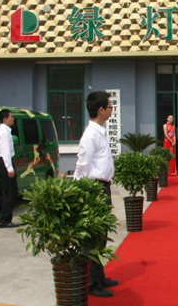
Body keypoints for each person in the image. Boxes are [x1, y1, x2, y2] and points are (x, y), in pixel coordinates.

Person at [74, 91, 119, 297]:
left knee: (101, 235)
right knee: (93, 236)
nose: (111, 110)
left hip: (103, 187)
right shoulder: (90, 135)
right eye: (110, 107)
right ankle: (92, 284)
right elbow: (82, 165)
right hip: (94, 188)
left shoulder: (99, 131)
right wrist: (81, 190)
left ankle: (99, 277)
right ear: (101, 110)